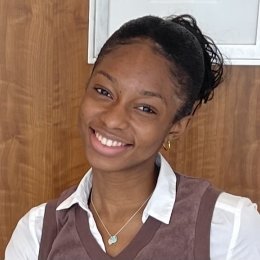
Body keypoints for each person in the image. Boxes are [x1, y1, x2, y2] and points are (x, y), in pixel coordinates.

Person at [5, 14, 260, 260]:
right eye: (104, 91)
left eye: (145, 108)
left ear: (178, 124)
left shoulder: (229, 227)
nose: (113, 119)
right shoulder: (37, 232)